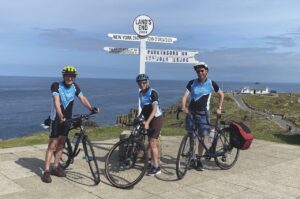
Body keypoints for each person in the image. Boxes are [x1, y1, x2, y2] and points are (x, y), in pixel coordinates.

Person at [41, 65, 99, 183]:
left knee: (61, 144)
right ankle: (46, 171)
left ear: (74, 78)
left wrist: (91, 108)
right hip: (56, 119)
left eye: (72, 76)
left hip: (67, 119)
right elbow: (56, 102)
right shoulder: (56, 86)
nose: (70, 78)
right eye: (68, 76)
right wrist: (60, 115)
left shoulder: (75, 87)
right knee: (52, 145)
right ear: (64, 76)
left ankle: (56, 167)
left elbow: (82, 98)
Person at [181, 62, 224, 171]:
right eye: (198, 71)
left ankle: (199, 159)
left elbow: (221, 94)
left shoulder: (211, 83)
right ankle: (192, 157)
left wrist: (219, 108)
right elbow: (185, 96)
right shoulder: (192, 82)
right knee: (191, 136)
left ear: (206, 71)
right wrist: (183, 107)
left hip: (203, 113)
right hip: (191, 112)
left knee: (201, 137)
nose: (200, 72)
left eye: (202, 70)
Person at [136, 74, 163, 176]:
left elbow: (154, 109)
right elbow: (144, 108)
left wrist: (147, 122)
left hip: (156, 119)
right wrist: (139, 117)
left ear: (147, 82)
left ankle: (157, 167)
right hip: (149, 119)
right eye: (139, 83)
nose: (141, 84)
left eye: (143, 82)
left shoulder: (153, 92)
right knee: (151, 143)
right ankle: (152, 164)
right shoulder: (141, 93)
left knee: (152, 142)